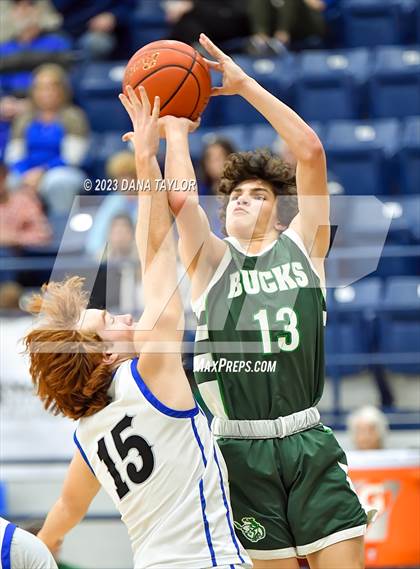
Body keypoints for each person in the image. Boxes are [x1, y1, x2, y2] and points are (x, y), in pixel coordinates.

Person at [164, 33, 373, 568]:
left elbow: (311, 151)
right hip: (240, 452)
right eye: (235, 194)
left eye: (258, 195)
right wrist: (175, 131)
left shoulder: (304, 246)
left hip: (308, 440)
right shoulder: (211, 261)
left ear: (280, 215)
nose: (242, 200)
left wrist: (246, 86)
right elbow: (181, 201)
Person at [23, 86, 251, 569]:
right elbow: (156, 254)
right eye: (110, 322)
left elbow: (66, 509)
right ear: (106, 356)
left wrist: (40, 544)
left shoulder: (88, 436)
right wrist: (146, 160)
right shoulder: (149, 377)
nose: (125, 317)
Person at [5, 64, 88, 214]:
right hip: (27, 171)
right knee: (9, 181)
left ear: (62, 90)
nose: (46, 93)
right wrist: (26, 174)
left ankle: (62, 224)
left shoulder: (73, 117)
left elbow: (72, 158)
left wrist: (42, 171)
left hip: (62, 170)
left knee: (59, 182)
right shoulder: (24, 118)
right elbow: (14, 156)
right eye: (41, 88)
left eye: (51, 87)